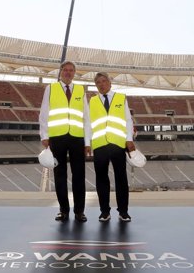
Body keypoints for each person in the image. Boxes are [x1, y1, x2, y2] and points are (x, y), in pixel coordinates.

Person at [39, 61, 91, 222]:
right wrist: (44, 136)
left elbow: (86, 117)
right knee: (60, 175)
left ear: (74, 73)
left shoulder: (80, 90)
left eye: (71, 70)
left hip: (77, 138)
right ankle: (63, 210)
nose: (68, 73)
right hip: (57, 137)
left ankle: (79, 211)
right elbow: (44, 112)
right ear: (61, 72)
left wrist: (87, 141)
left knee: (79, 176)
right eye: (65, 70)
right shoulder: (51, 88)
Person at [90, 72, 136, 222]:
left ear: (110, 83)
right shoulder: (92, 101)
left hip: (117, 144)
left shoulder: (121, 98)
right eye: (98, 82)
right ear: (96, 86)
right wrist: (88, 143)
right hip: (100, 144)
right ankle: (104, 211)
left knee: (121, 179)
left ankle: (123, 211)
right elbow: (88, 124)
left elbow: (128, 121)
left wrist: (129, 139)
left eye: (104, 81)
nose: (101, 84)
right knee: (101, 179)